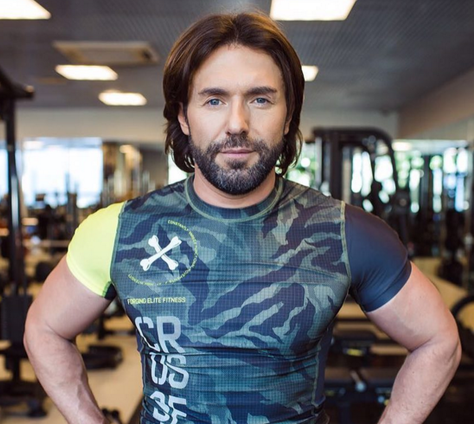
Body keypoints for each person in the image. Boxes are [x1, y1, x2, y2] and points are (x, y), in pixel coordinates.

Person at [24, 12, 461, 424]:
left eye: (260, 99)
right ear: (183, 116)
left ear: (288, 116)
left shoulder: (347, 232)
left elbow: (438, 341)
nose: (237, 123)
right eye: (214, 100)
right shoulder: (119, 231)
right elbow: (44, 330)